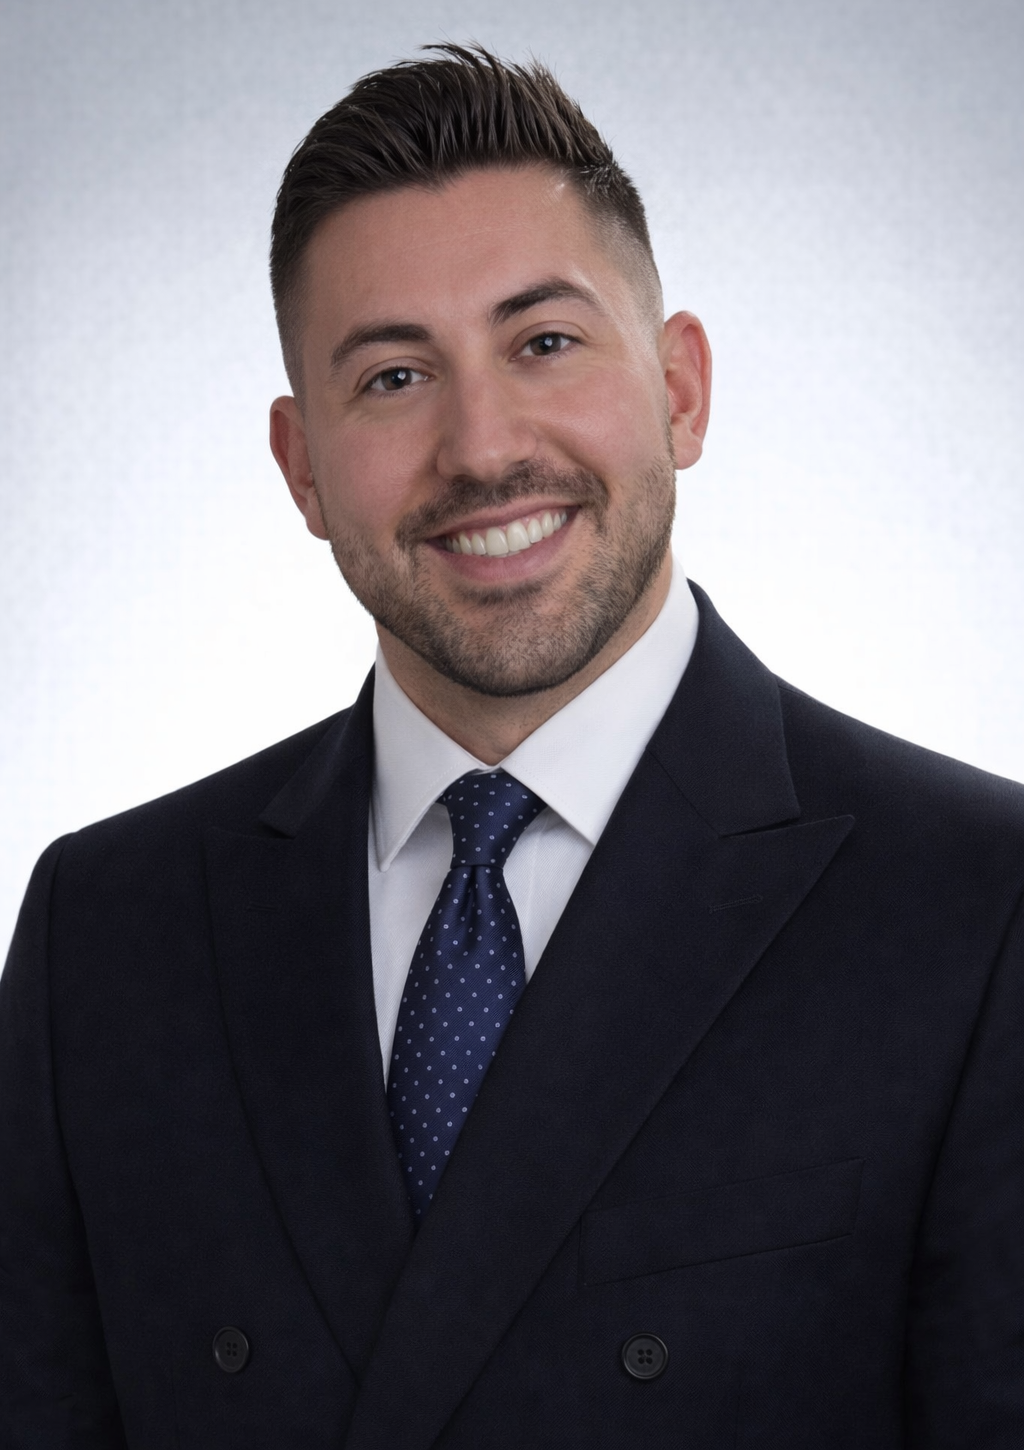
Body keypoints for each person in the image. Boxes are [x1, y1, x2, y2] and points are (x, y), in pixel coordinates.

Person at [1, 43, 1022, 1450]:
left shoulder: (978, 908)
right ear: (302, 468)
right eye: (394, 376)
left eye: (544, 343)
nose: (482, 449)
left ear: (680, 389)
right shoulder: (105, 934)